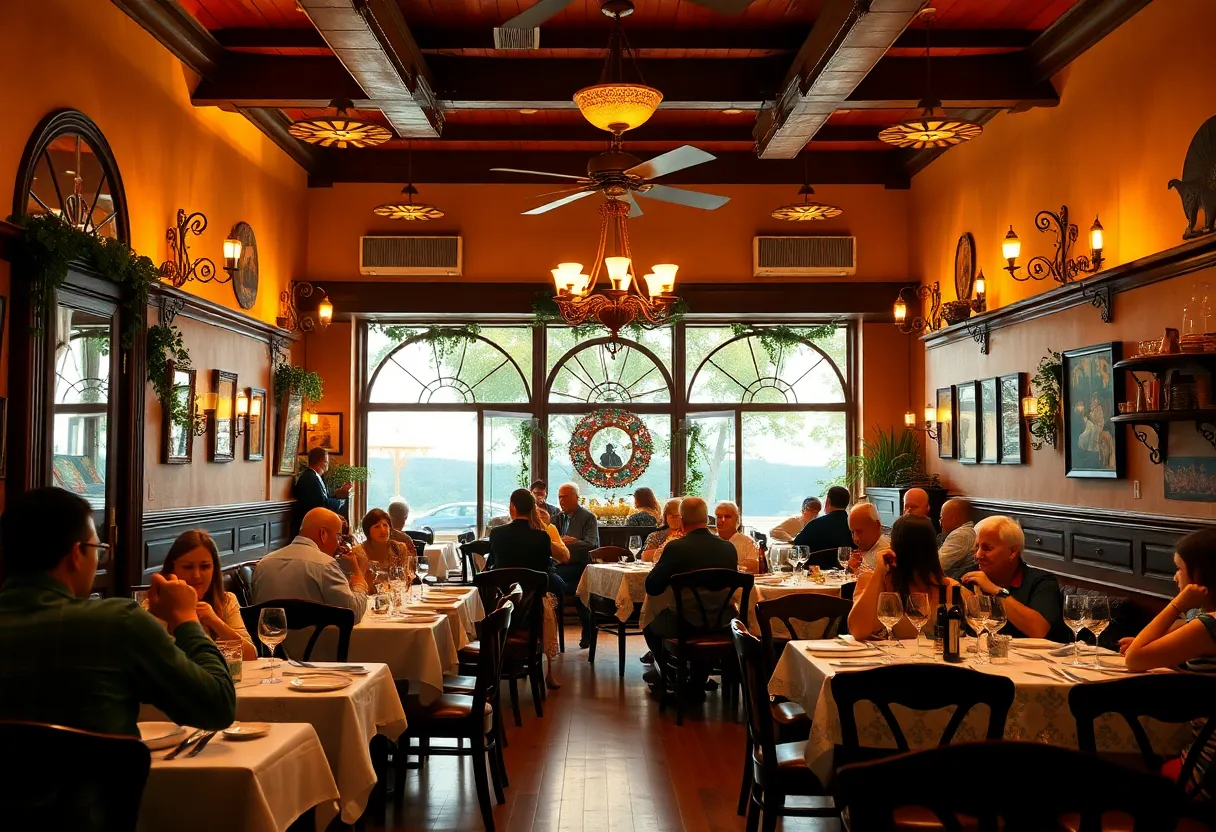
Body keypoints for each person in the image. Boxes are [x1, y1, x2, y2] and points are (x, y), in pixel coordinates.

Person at [0, 487, 235, 736]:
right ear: (75, 556)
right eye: (98, 549)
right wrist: (186, 619)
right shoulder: (117, 624)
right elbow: (217, 706)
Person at [1123, 529, 1216, 798]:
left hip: (1205, 771)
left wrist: (1178, 603)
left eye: (1179, 569)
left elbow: (1134, 659)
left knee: (1118, 770)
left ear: (1200, 576)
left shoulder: (1209, 625)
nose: (1175, 576)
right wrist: (1155, 647)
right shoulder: (1204, 618)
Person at [642, 497, 739, 687]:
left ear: (682, 521)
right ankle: (697, 680)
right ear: (707, 518)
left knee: (649, 623)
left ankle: (670, 677)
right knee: (704, 613)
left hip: (685, 624)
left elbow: (652, 587)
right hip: (723, 623)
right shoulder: (728, 548)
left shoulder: (676, 548)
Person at [488, 489, 566, 689]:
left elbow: (492, 566)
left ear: (512, 507)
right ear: (532, 509)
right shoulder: (541, 537)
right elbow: (551, 564)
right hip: (533, 604)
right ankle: (548, 673)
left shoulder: (497, 533)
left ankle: (493, 664)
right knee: (549, 601)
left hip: (503, 603)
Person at [145, 530, 256, 661]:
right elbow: (149, 659)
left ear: (214, 569)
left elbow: (251, 655)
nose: (196, 575)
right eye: (187, 567)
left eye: (205, 567)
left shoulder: (226, 601)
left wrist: (215, 622)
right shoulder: (155, 606)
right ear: (172, 569)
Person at [849, 515, 962, 641]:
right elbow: (858, 631)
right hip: (890, 659)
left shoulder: (950, 588)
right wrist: (879, 572)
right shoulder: (875, 582)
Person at [253, 507, 370, 625]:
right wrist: (359, 581)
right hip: (316, 643)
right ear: (323, 534)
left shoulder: (264, 563)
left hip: (268, 641)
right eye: (338, 536)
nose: (338, 543)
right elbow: (352, 614)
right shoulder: (325, 565)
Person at [961, 515, 1064, 641]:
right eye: (977, 547)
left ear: (1012, 552)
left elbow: (1039, 630)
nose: (978, 555)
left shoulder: (1042, 582)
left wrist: (996, 591)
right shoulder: (969, 576)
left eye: (987, 548)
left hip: (1032, 658)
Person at [553, 482, 599, 648]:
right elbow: (550, 543)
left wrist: (566, 544)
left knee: (575, 586)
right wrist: (563, 543)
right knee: (571, 587)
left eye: (565, 496)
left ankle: (588, 629)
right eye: (559, 497)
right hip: (560, 566)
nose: (561, 500)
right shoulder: (556, 518)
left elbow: (591, 544)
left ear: (576, 498)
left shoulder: (588, 517)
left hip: (581, 566)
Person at [292, 447, 351, 536]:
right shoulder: (309, 478)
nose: (328, 463)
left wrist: (337, 495)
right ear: (322, 461)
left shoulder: (315, 477)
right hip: (310, 528)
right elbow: (321, 504)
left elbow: (322, 498)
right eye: (327, 460)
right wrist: (340, 501)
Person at [793, 485, 853, 569]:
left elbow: (796, 548)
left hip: (814, 576)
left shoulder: (814, 525)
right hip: (847, 574)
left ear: (828, 501)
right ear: (847, 504)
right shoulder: (854, 526)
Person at [351, 508, 414, 576]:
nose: (383, 530)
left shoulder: (400, 548)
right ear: (368, 531)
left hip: (395, 586)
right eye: (377, 527)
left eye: (385, 525)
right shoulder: (357, 552)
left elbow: (407, 576)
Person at [937, 498, 977, 580]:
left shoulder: (961, 535)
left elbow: (936, 566)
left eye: (942, 517)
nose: (940, 522)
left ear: (954, 519)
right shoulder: (967, 532)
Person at [715, 500, 759, 573]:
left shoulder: (747, 543)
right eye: (719, 517)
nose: (722, 520)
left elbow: (754, 567)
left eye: (727, 517)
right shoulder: (709, 542)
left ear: (737, 519)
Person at [846, 502, 889, 572]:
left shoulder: (886, 555)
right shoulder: (867, 549)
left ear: (876, 526)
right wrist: (850, 569)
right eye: (852, 532)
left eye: (860, 532)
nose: (855, 538)